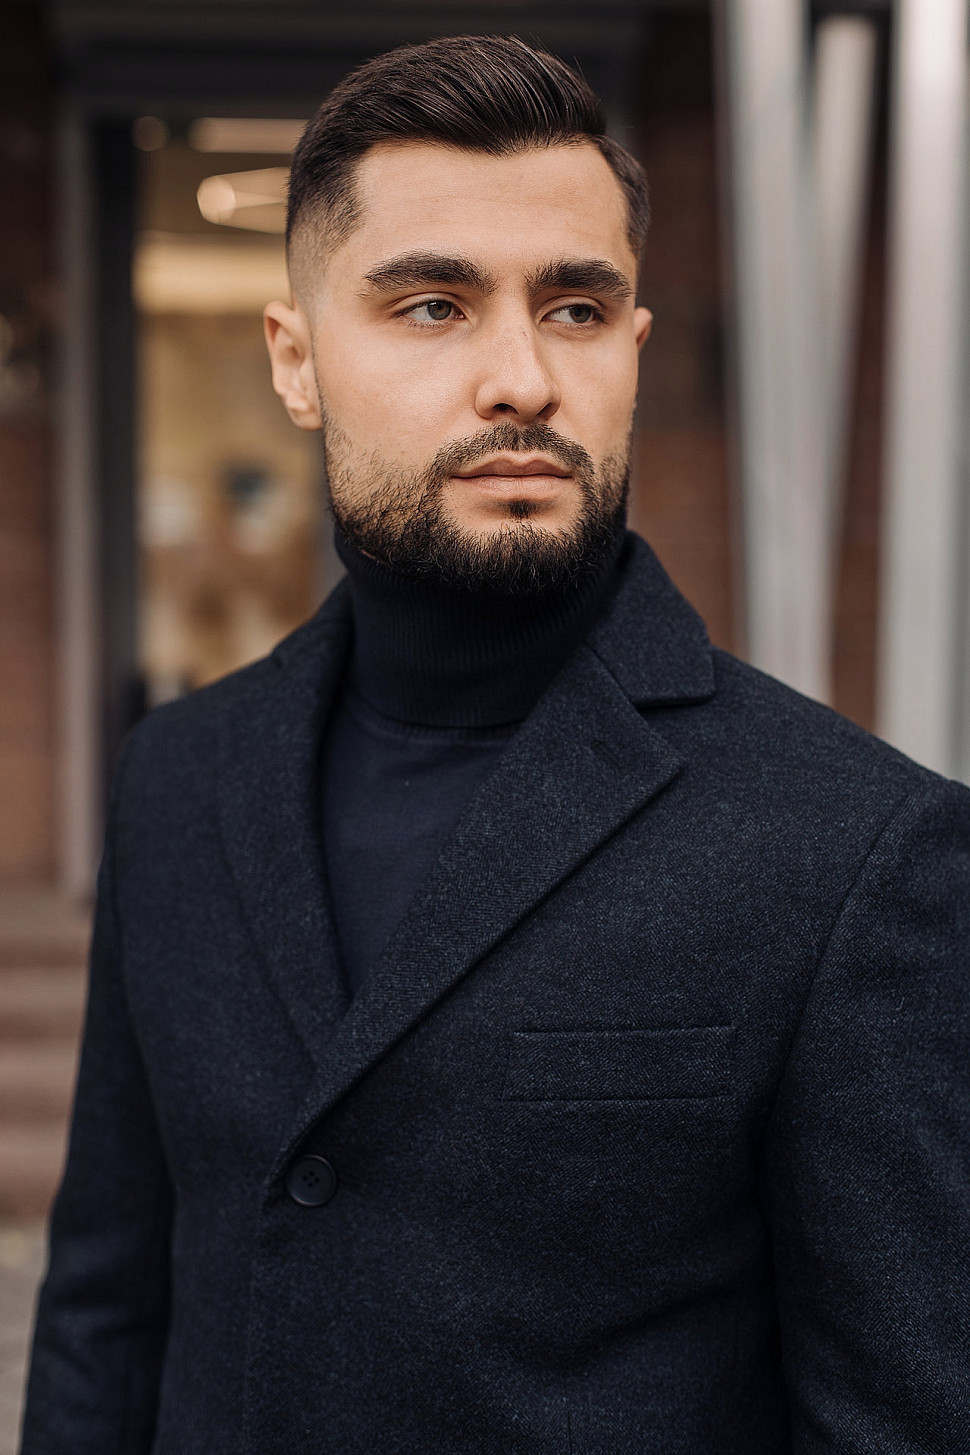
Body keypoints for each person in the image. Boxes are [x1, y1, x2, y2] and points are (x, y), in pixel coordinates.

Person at [21, 34, 970, 1455]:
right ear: (296, 361)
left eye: (576, 308)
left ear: (631, 353)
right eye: (432, 306)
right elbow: (108, 1306)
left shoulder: (857, 848)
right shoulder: (178, 775)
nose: (521, 378)